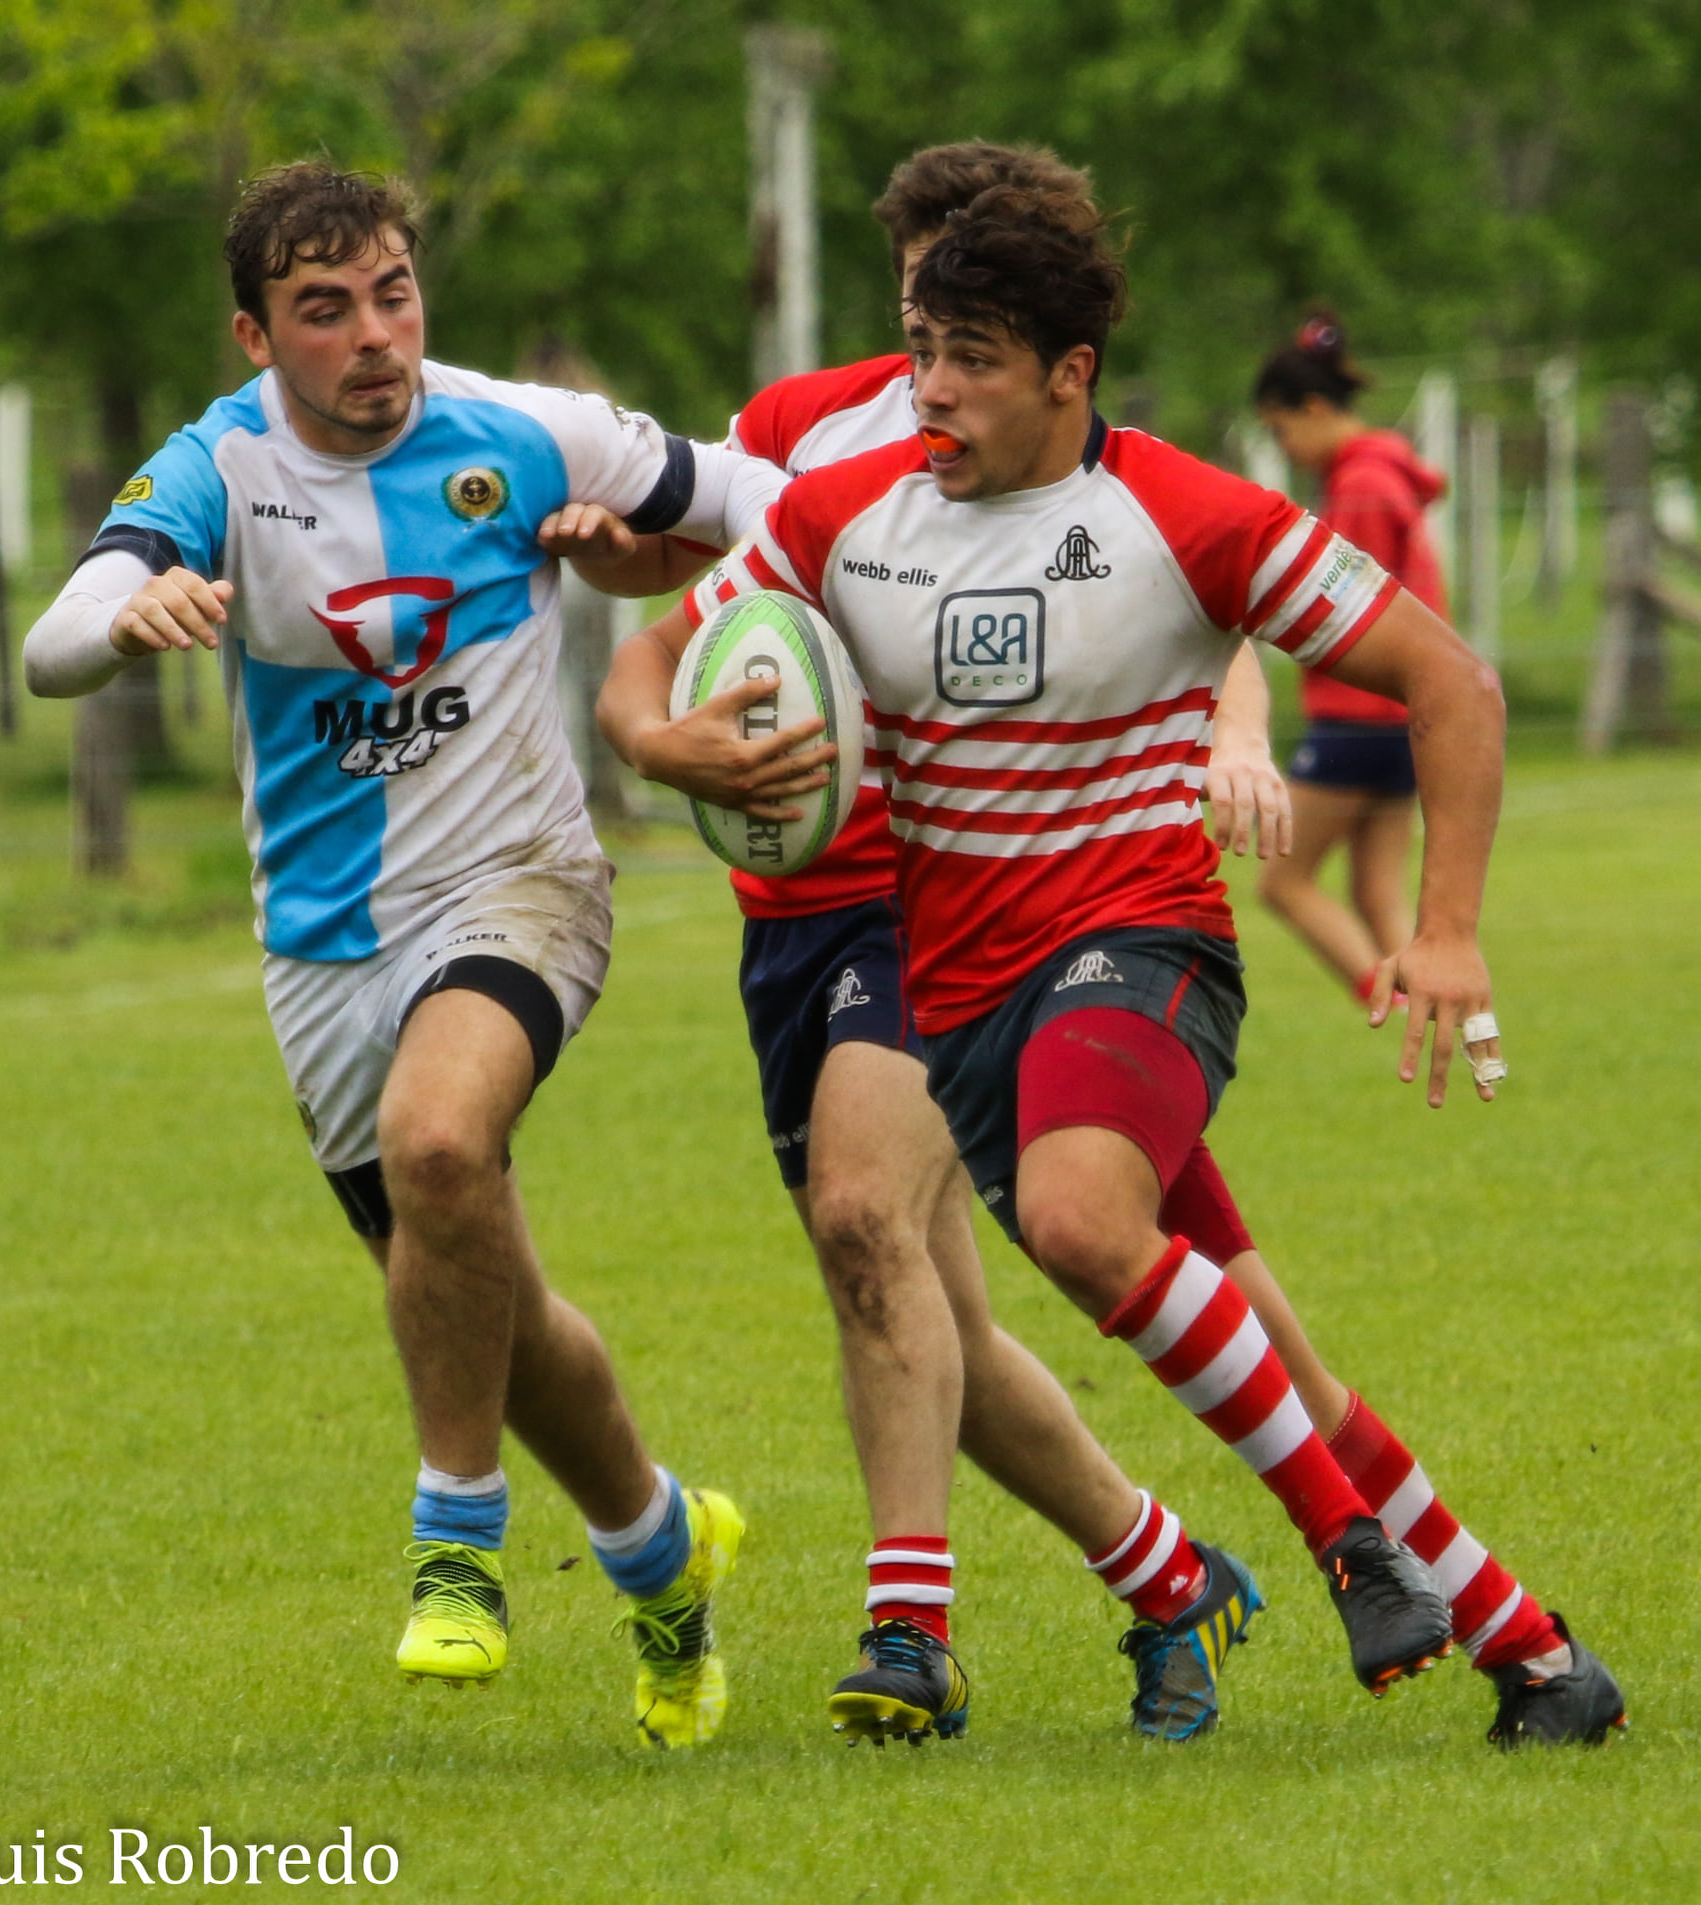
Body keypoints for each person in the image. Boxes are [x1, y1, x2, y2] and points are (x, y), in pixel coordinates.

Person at [617, 179, 1623, 1750]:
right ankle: (1541, 1660)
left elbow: (1452, 680)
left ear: (1070, 371)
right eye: (921, 351)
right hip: (964, 1008)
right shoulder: (845, 514)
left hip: (1141, 951)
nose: (930, 390)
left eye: (972, 360)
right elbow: (646, 660)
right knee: (1273, 1353)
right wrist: (662, 741)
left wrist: (1444, 928)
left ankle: (1342, 1546)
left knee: (1088, 1225)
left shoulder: (1184, 514)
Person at [21, 160, 782, 1749]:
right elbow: (55, 638)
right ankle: (663, 1558)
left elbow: (762, 509)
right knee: (482, 1298)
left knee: (443, 1145)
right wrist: (132, 604)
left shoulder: (528, 429)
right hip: (320, 951)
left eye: (393, 295)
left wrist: (686, 591)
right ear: (255, 334)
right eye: (323, 311)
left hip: (522, 886)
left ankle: (457, 1545)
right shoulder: (219, 468)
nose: (374, 337)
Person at [576, 144, 1305, 1748]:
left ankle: (908, 1628)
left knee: (860, 1214)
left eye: (962, 318)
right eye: (918, 309)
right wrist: (647, 698)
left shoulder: (1046, 449)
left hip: (939, 900)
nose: (934, 355)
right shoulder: (799, 430)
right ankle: (1169, 1571)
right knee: (927, 1317)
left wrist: (1234, 733)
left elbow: (1202, 592)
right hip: (781, 913)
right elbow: (668, 583)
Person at [1252, 311, 1448, 1005]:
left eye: (1279, 430)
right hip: (1401, 719)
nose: (1285, 447)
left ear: (1310, 408)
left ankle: (1390, 1005)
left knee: (1283, 881)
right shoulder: (1382, 472)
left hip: (1356, 718)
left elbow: (1348, 611)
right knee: (1375, 892)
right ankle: (1433, 1023)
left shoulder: (1361, 485)